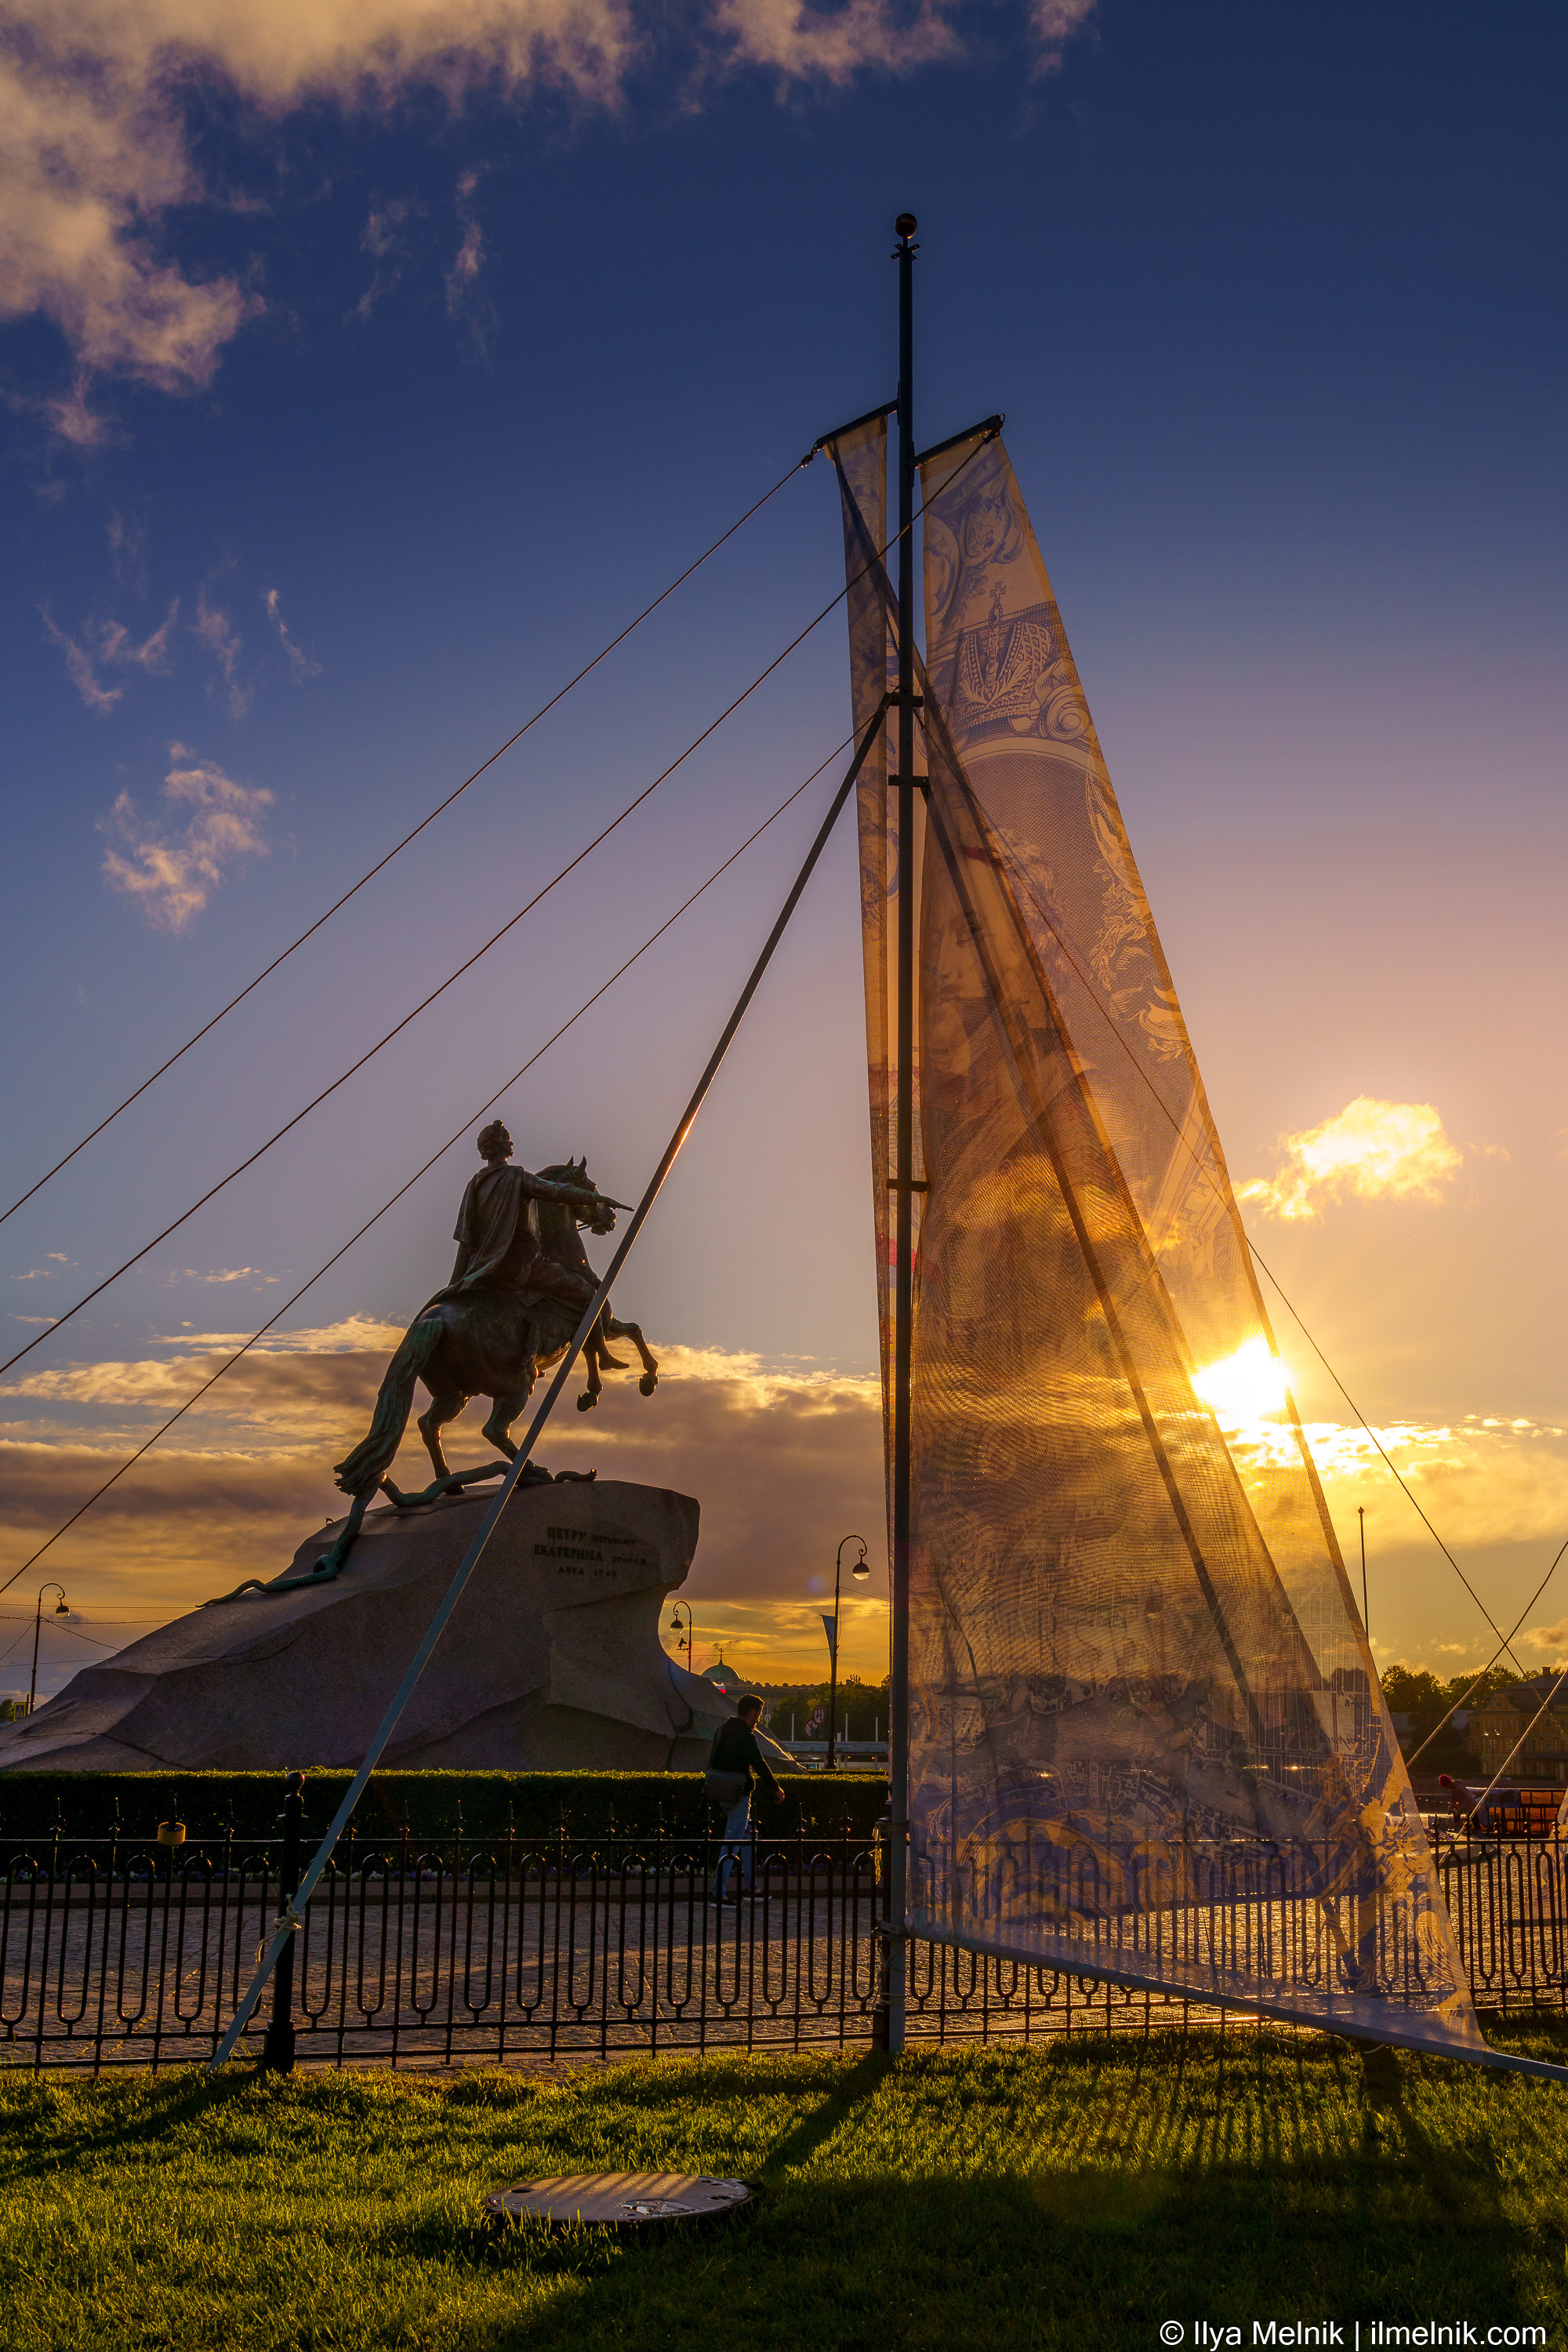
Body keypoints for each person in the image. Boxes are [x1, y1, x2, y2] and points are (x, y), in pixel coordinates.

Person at [709, 1696, 784, 1902]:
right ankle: (718, 1894)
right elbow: (759, 1764)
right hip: (739, 1794)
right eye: (758, 1714)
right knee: (731, 1845)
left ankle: (752, 1888)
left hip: (721, 1791)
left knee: (750, 1838)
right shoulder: (745, 1735)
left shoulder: (723, 1730)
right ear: (751, 1713)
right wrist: (776, 1788)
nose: (759, 1719)